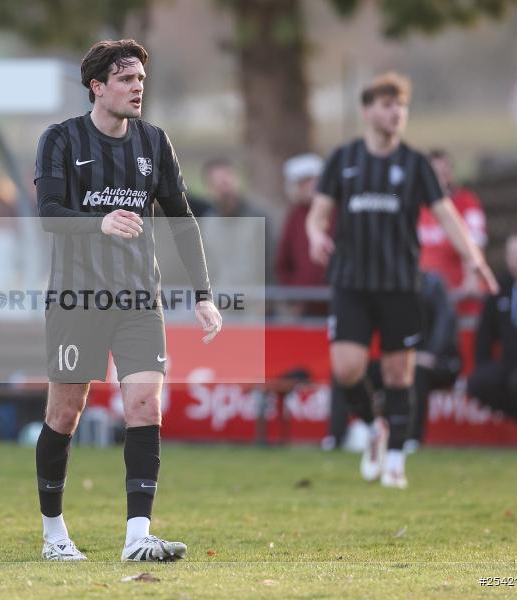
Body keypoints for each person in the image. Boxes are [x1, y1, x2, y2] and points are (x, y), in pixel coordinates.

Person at [33, 39, 222, 562]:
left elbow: (182, 222)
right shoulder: (61, 140)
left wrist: (204, 295)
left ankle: (138, 537)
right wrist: (100, 222)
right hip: (77, 300)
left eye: (141, 79)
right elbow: (48, 213)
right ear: (98, 86)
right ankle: (54, 535)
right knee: (65, 413)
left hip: (140, 299)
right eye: (126, 79)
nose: (138, 87)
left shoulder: (155, 143)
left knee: (143, 404)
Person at [306, 72, 497, 489]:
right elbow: (317, 213)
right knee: (347, 368)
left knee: (398, 374)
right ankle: (375, 427)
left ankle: (395, 458)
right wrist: (317, 234)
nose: (396, 113)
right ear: (368, 110)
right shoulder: (344, 159)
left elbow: (447, 215)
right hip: (352, 282)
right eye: (388, 105)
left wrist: (475, 260)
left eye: (402, 106)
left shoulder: (415, 164)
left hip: (399, 283)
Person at [324, 271, 462, 452]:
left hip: (435, 361)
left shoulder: (432, 285)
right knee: (344, 371)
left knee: (413, 371)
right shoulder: (374, 284)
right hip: (395, 354)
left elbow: (445, 323)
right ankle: (339, 435)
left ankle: (408, 439)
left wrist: (432, 354)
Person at [467, 231, 517, 449]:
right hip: (511, 360)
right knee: (479, 382)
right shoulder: (500, 286)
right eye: (514, 254)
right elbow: (485, 332)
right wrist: (481, 365)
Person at [417, 149, 487, 316]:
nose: (441, 179)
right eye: (435, 174)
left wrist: (471, 281)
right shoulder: (416, 207)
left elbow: (475, 243)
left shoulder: (466, 203)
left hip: (458, 299)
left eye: (445, 172)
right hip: (424, 298)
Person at [201, 157, 274, 286]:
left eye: (227, 181)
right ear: (209, 189)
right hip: (220, 300)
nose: (224, 189)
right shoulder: (206, 223)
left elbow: (271, 261)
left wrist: (267, 300)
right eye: (217, 184)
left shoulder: (259, 217)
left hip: (255, 300)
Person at [275, 153, 327, 316]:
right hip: (304, 305)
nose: (311, 185)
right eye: (305, 181)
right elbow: (283, 263)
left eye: (315, 179)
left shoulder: (338, 214)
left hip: (338, 303)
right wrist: (293, 296)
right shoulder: (294, 217)